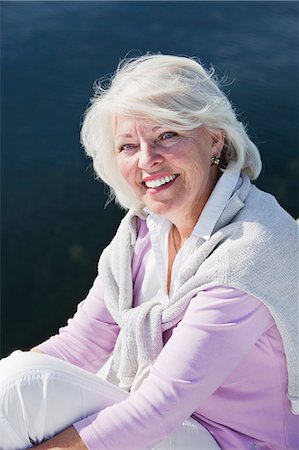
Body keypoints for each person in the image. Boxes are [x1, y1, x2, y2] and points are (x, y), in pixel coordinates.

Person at [1, 53, 298, 450]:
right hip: (179, 421)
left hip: (235, 441)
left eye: (167, 135)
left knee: (25, 390)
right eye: (128, 146)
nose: (147, 159)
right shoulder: (142, 233)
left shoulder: (246, 255)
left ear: (215, 138)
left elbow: (160, 407)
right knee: (15, 379)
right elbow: (82, 344)